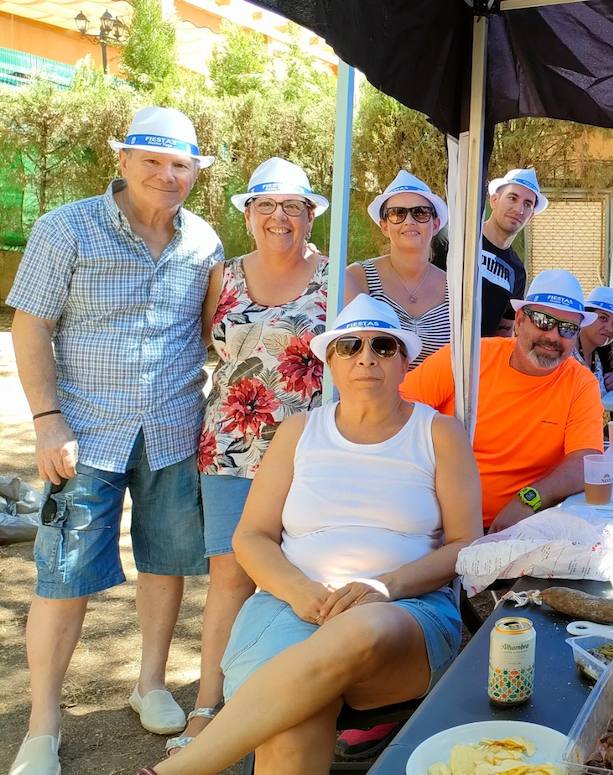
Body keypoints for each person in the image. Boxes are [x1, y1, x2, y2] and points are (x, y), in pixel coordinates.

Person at [140, 296, 483, 775]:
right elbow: (252, 537)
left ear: (406, 362)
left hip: (402, 613)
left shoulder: (439, 432)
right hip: (293, 605)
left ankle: (185, 767)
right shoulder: (299, 431)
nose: (366, 357)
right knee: (292, 725)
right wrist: (298, 591)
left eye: (384, 346)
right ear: (330, 361)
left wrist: (387, 586)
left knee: (360, 627)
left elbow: (466, 542)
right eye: (350, 346)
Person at [5, 106, 221, 775]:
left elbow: (215, 332)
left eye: (179, 163)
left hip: (173, 431)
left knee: (166, 562)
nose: (166, 174)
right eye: (151, 160)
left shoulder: (204, 242)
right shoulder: (63, 227)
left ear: (195, 172)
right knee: (63, 575)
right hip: (84, 433)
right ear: (122, 160)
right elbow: (30, 325)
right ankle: (44, 723)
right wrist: (47, 418)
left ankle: (149, 681)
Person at [173, 158, 331, 754]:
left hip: (307, 448)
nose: (279, 217)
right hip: (228, 444)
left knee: (303, 567)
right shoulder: (222, 275)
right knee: (229, 573)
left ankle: (284, 693)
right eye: (265, 205)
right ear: (247, 214)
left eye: (293, 205)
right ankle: (209, 704)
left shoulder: (336, 279)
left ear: (311, 214)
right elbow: (194, 347)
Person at [401, 270, 604, 531]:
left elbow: (585, 461)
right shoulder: (467, 358)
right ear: (519, 321)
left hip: (519, 528)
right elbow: (398, 411)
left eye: (567, 328)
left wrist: (529, 499)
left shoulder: (581, 383)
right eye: (543, 321)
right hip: (432, 520)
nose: (553, 336)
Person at [344, 170, 450, 367]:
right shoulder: (358, 278)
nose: (409, 221)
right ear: (384, 226)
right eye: (397, 213)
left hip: (438, 398)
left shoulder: (454, 287)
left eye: (420, 212)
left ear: (435, 224)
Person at [478, 168, 546, 336]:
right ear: (494, 200)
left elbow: (505, 328)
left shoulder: (517, 271)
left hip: (479, 358)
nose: (519, 209)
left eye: (527, 204)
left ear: (530, 217)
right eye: (512, 198)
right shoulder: (461, 241)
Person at [575, 286, 613, 392]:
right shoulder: (564, 351)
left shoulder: (604, 353)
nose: (610, 329)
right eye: (603, 318)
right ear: (586, 316)